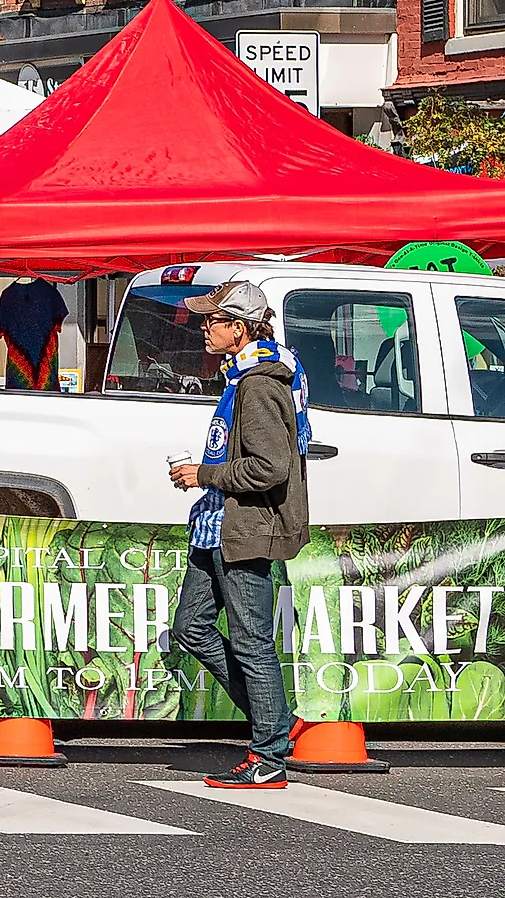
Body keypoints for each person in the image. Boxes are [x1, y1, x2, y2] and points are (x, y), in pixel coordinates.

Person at [168, 281, 310, 789]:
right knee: (191, 627)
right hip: (216, 527)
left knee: (252, 643)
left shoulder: (258, 383)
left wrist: (203, 475)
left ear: (240, 327)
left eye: (213, 320)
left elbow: (271, 467)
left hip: (245, 528)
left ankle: (269, 756)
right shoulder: (240, 377)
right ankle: (273, 721)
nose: (204, 328)